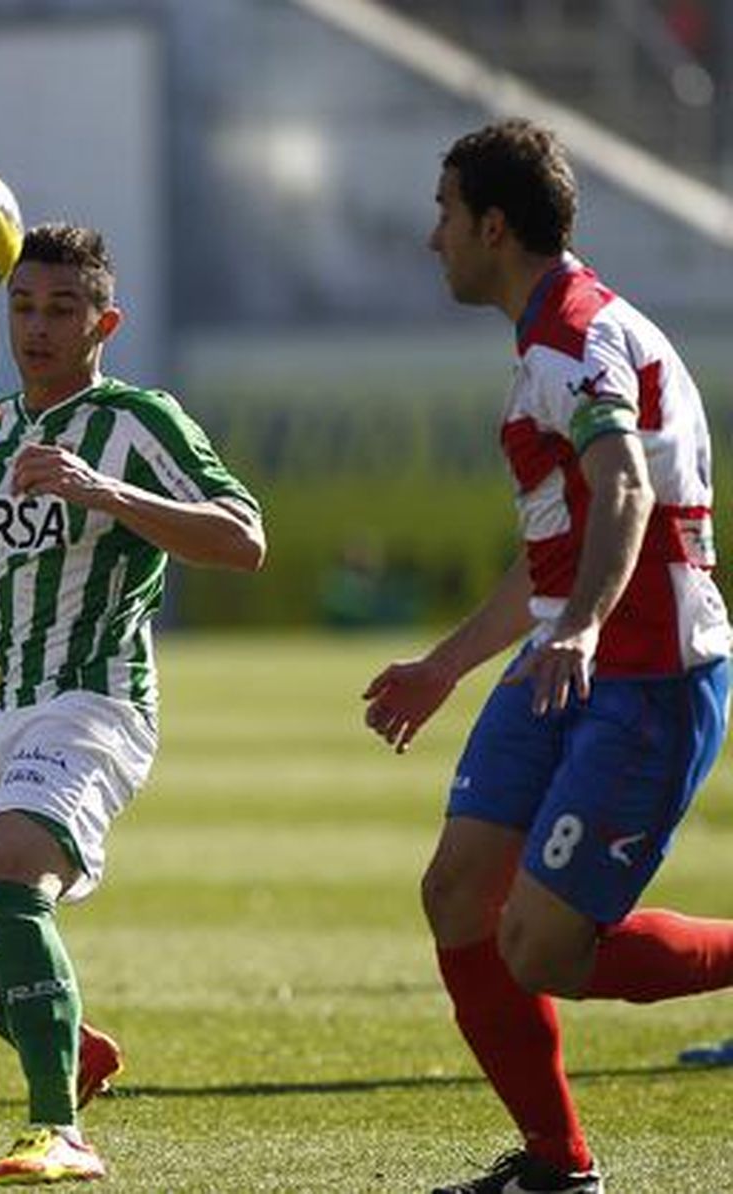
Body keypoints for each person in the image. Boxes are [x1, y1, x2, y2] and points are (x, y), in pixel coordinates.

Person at [0, 224, 266, 1184]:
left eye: (62, 308)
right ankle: (67, 1041)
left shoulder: (137, 419)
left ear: (103, 321)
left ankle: (57, 1129)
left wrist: (104, 489)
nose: (37, 325)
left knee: (11, 876)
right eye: (23, 305)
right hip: (7, 709)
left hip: (98, 705)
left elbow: (244, 539)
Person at [362, 119, 733, 1194]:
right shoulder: (553, 340)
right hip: (568, 662)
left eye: (444, 216)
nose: (432, 240)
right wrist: (446, 665)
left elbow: (621, 487)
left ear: (492, 225)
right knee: (455, 895)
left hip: (647, 676)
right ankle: (553, 1166)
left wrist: (575, 626)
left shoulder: (573, 339)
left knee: (543, 951)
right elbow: (552, 557)